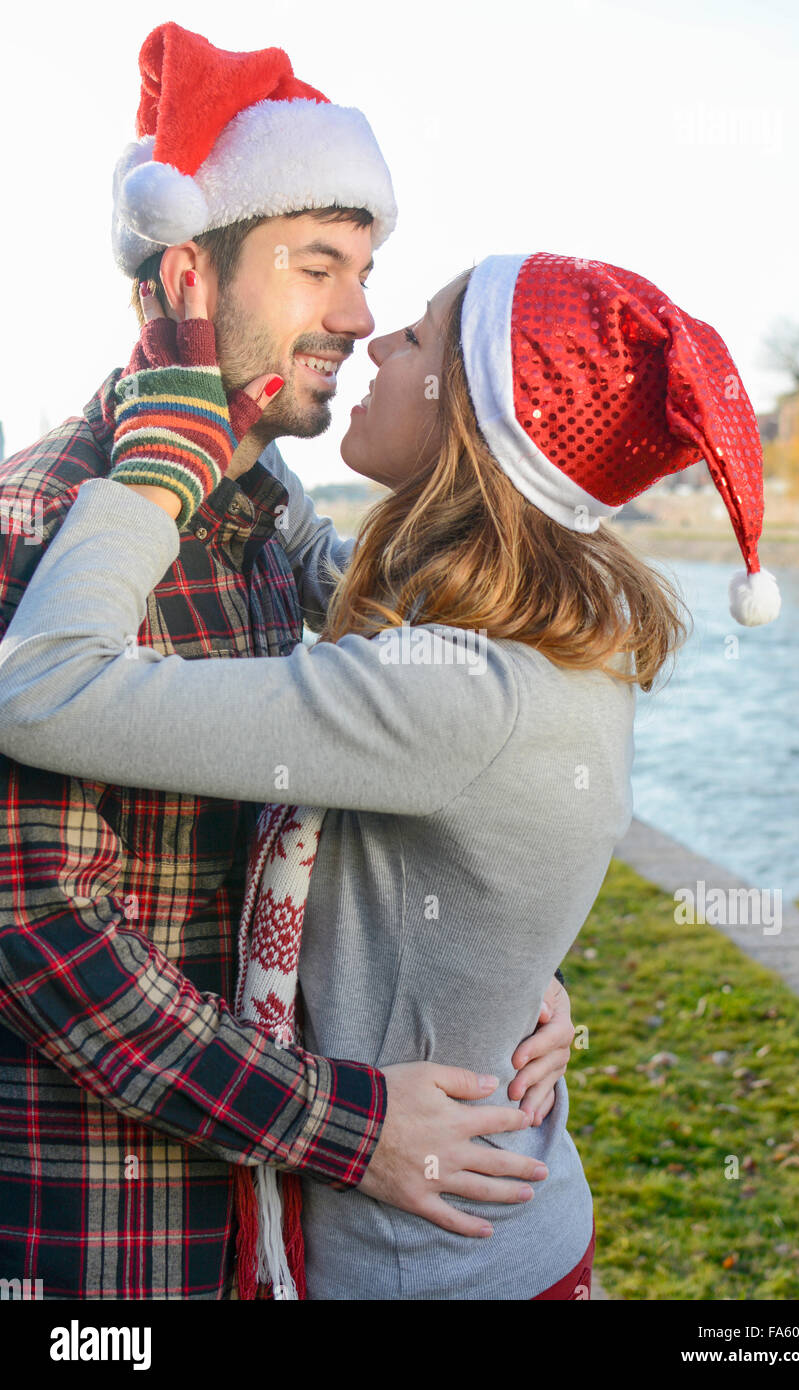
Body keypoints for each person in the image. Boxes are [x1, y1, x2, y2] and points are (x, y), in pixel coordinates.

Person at [0, 250, 781, 1299]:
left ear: (472, 417)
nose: (372, 337)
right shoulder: (538, 631)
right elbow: (320, 556)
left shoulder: (449, 690)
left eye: (413, 333)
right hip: (502, 1236)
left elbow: (44, 685)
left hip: (430, 1272)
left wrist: (152, 470)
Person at [0, 23, 573, 1301]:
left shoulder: (270, 517)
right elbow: (40, 933)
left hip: (286, 1236)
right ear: (188, 279)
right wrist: (346, 1126)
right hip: (118, 1246)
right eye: (319, 267)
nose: (361, 317)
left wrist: (499, 965)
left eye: (368, 271)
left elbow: (402, 773)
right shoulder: (36, 530)